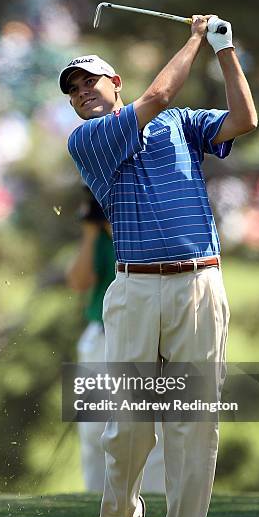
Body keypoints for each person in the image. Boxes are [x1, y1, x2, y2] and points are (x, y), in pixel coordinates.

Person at [59, 14, 257, 517]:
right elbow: (160, 90)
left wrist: (225, 49)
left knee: (195, 427)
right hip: (136, 289)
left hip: (200, 282)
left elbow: (245, 118)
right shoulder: (89, 139)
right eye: (73, 91)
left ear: (113, 81)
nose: (81, 95)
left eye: (89, 83)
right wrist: (195, 36)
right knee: (127, 427)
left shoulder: (181, 124)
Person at [67, 188, 165, 493]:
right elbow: (79, 281)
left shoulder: (146, 225)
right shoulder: (96, 238)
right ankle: (97, 503)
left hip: (145, 338)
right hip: (101, 337)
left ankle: (151, 507)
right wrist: (90, 231)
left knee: (151, 429)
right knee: (95, 430)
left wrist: (114, 226)